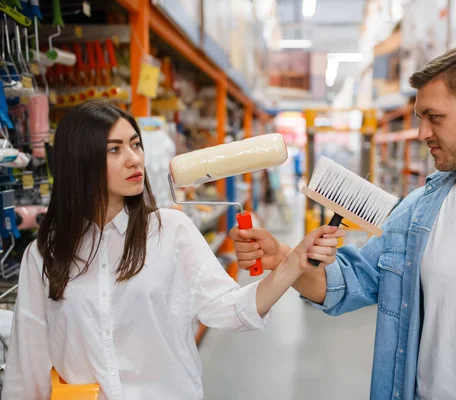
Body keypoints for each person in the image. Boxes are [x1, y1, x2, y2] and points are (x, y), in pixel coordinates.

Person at [230, 42, 456, 400]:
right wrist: (282, 256)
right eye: (420, 118)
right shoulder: (417, 210)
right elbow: (348, 284)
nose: (423, 133)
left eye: (434, 117)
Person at [2, 100, 345, 399]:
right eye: (115, 149)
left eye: (135, 144)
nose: (135, 159)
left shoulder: (169, 231)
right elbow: (26, 365)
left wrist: (293, 261)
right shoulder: (44, 255)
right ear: (80, 161)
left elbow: (230, 308)